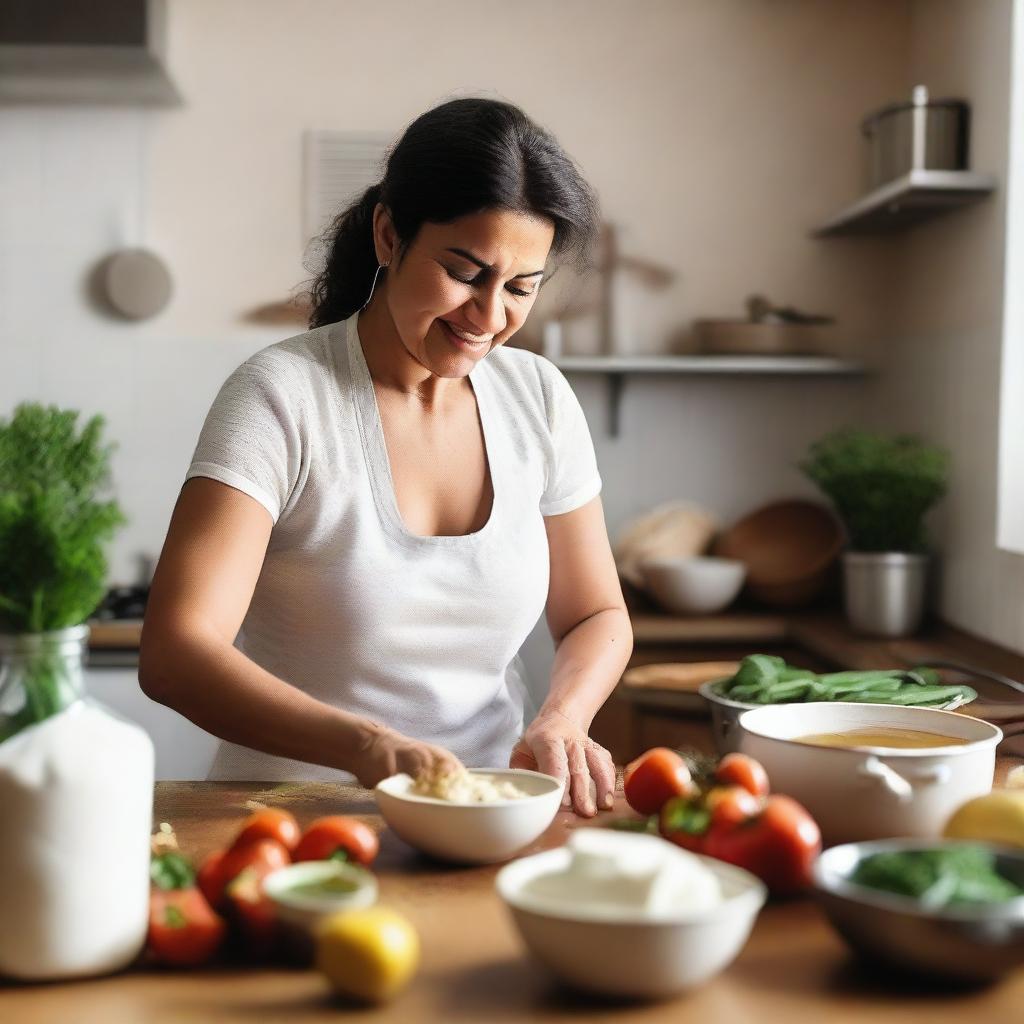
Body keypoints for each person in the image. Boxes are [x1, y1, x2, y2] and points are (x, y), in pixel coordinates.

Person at [139, 97, 632, 817]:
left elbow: (596, 613)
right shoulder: (281, 396)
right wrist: (370, 748)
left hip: (486, 812)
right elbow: (175, 653)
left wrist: (565, 714)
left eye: (521, 288)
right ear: (388, 235)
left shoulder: (540, 398)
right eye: (465, 273)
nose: (490, 318)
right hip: (295, 814)